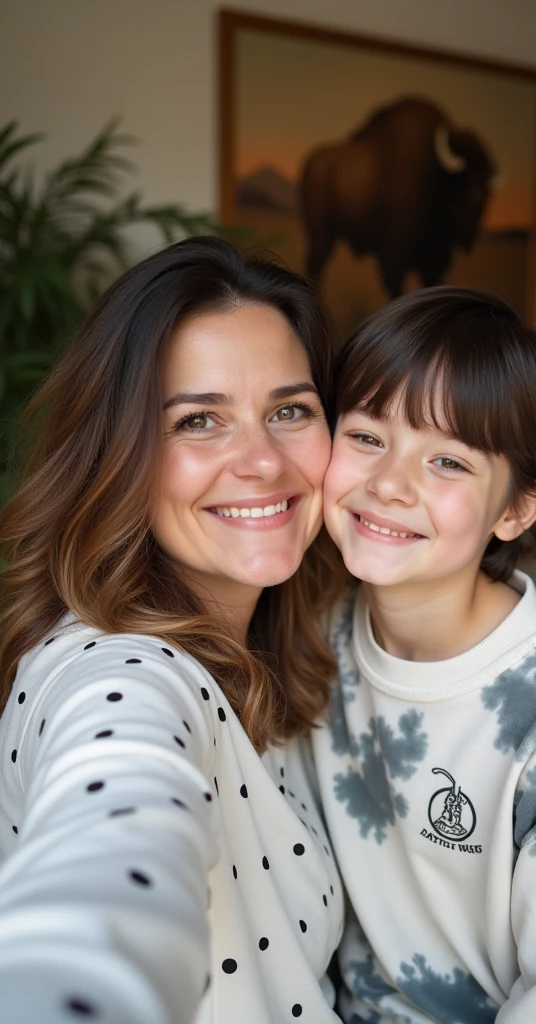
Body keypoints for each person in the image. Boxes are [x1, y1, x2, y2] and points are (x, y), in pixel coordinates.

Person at [311, 286, 536, 1023]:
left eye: (449, 461)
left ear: (518, 508)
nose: (388, 483)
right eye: (365, 435)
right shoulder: (320, 630)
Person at [0, 236, 349, 1023]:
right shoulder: (116, 674)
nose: (261, 461)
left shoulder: (297, 638)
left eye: (290, 410)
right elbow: (114, 838)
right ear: (117, 455)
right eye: (199, 421)